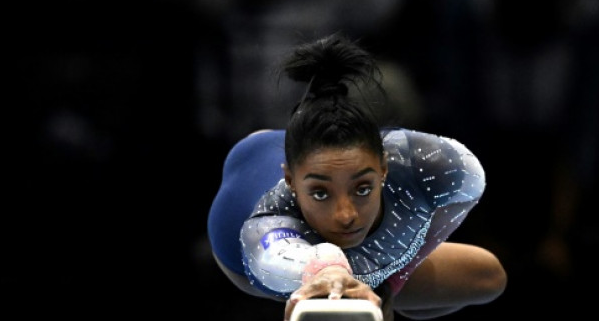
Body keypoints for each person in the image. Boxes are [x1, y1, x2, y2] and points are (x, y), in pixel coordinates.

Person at [207, 33, 506, 320]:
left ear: (384, 168)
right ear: (290, 182)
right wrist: (331, 274)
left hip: (314, 159)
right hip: (251, 219)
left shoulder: (443, 166)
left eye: (362, 188)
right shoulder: (267, 228)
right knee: (336, 302)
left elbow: (467, 187)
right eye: (321, 193)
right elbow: (294, 262)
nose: (346, 214)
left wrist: (392, 283)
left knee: (490, 276)